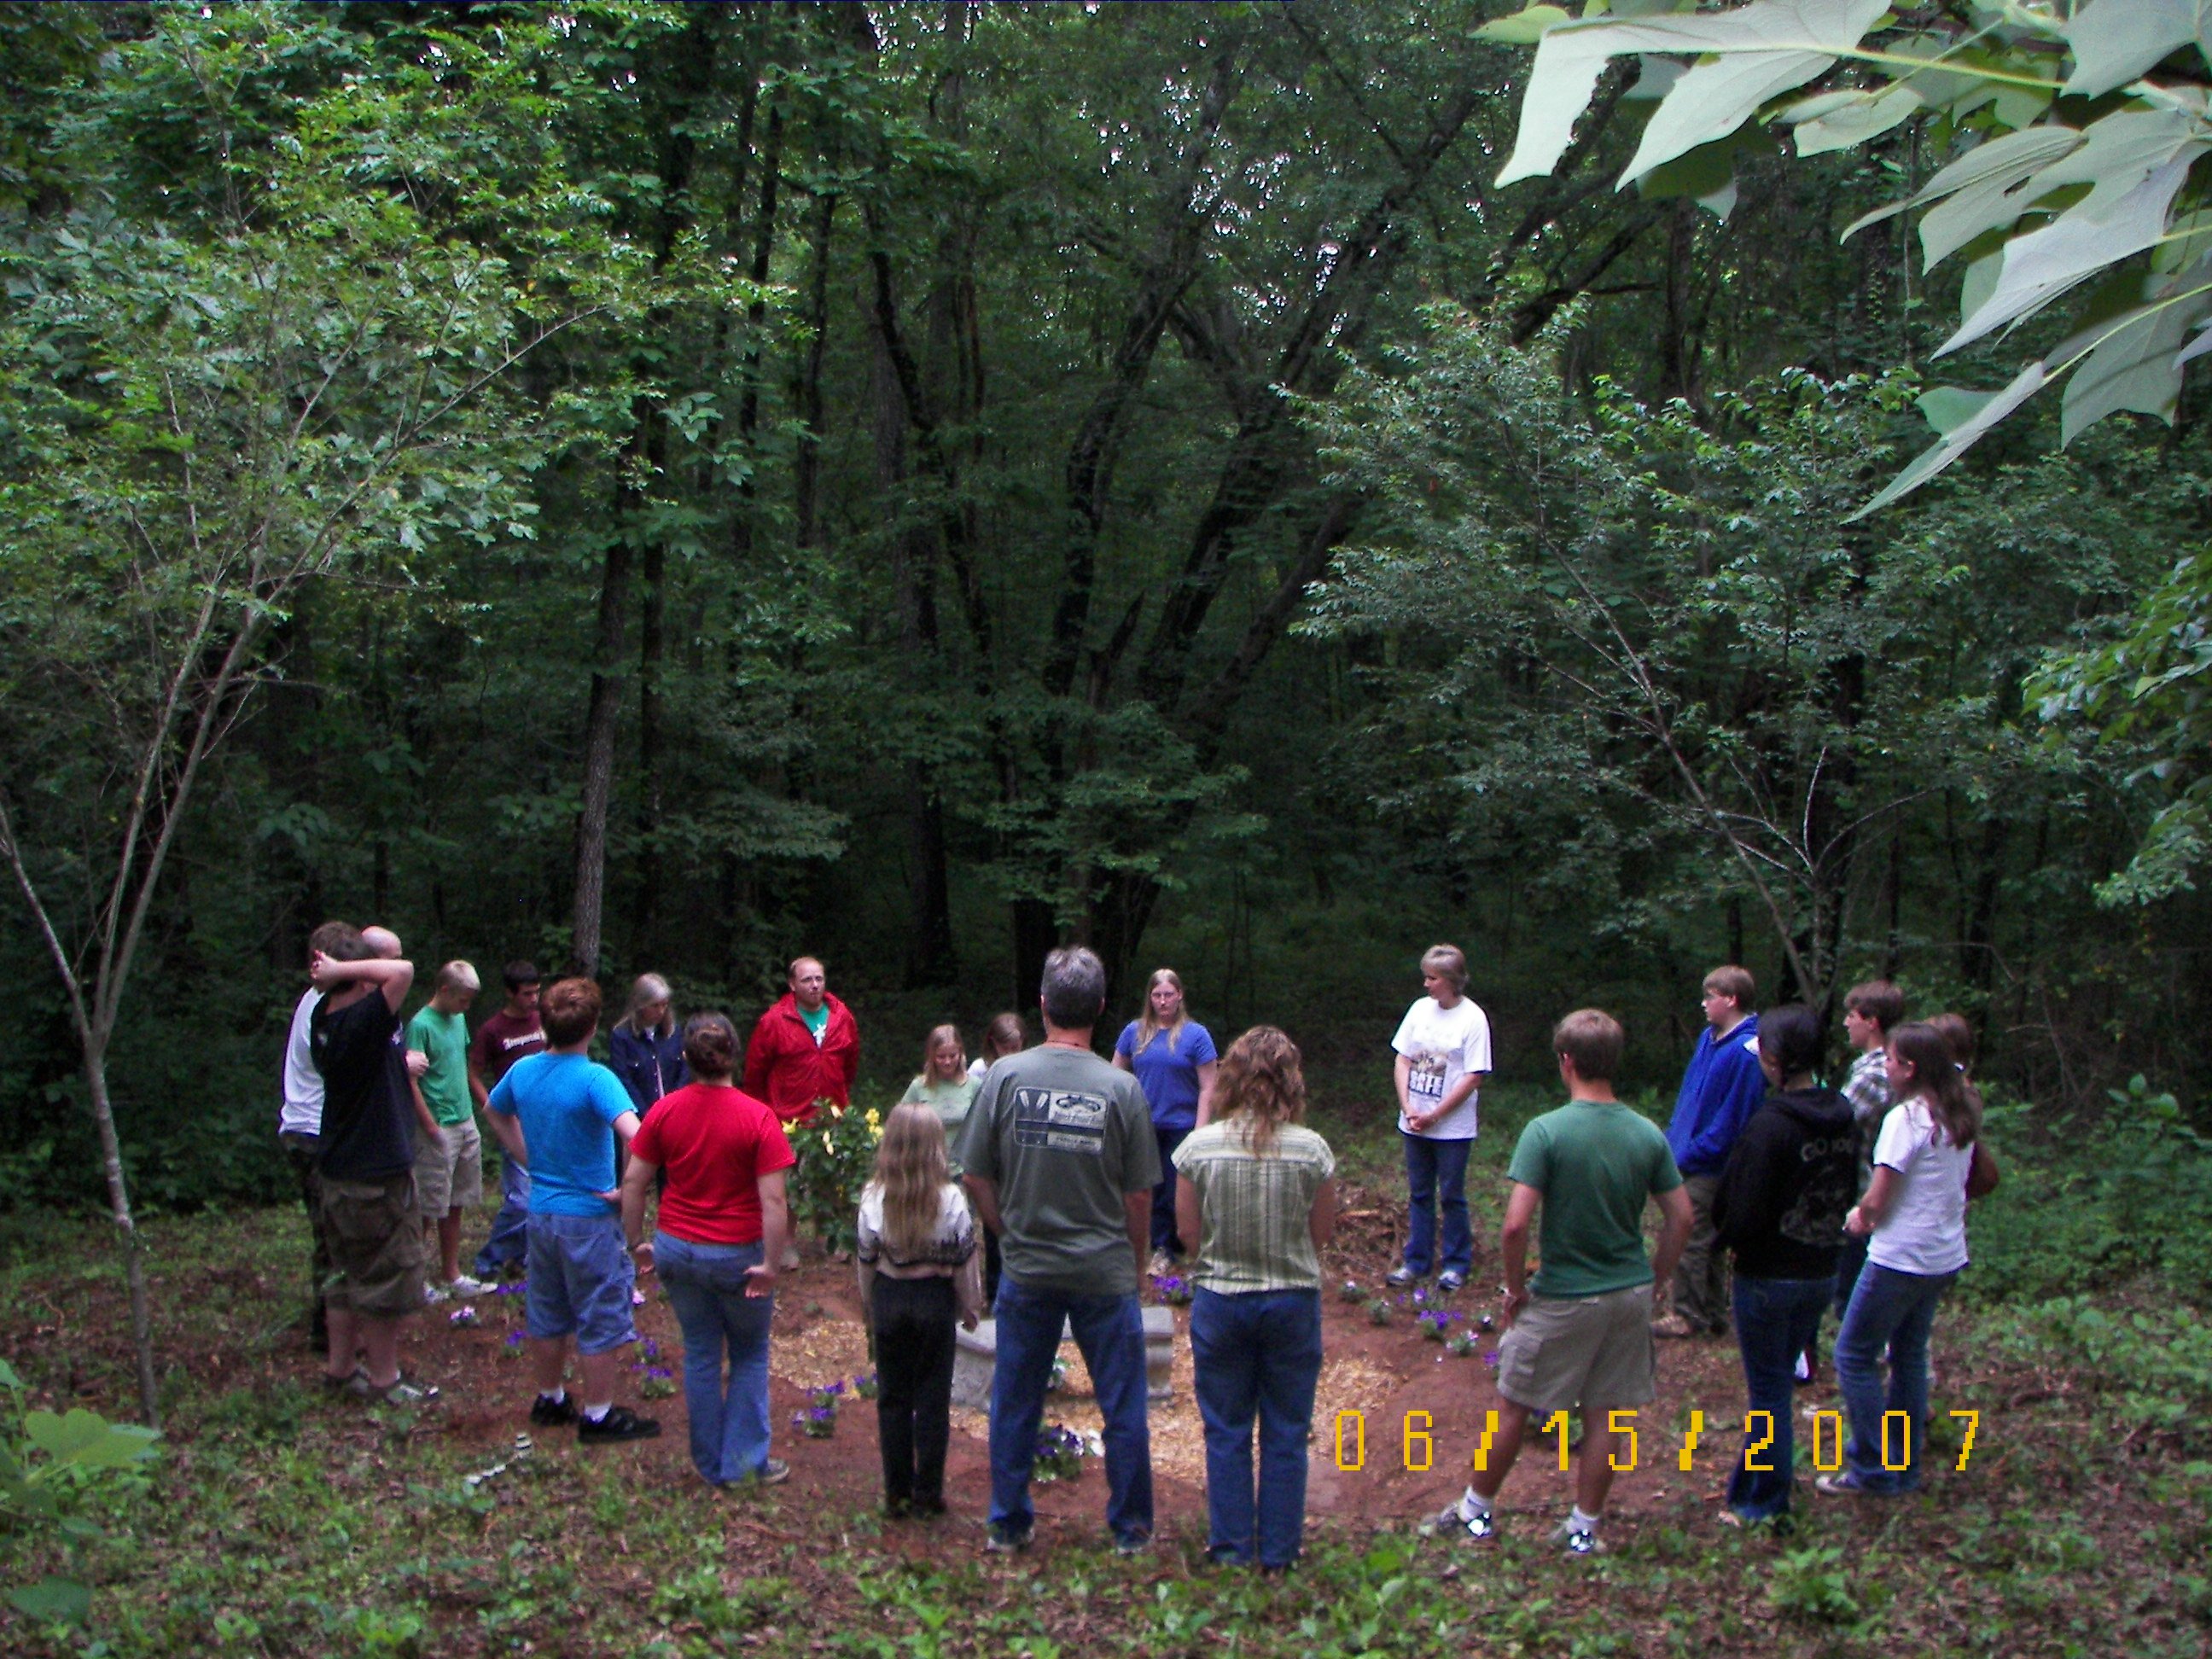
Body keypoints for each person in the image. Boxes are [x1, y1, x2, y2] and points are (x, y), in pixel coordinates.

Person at [1435, 1010, 1692, 1555]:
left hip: (1565, 1296)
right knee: (1609, 1414)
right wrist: (1656, 1279)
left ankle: (1474, 1512)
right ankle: (1583, 1528)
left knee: (1514, 1404)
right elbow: (1682, 1218)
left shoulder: (1546, 1131)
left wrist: (1513, 1290)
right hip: (1627, 1294)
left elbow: (1514, 1225)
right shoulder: (1647, 1133)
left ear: (1567, 1062)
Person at [954, 945, 1160, 1555]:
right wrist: (1136, 1263)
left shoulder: (1005, 1077)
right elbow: (1140, 1196)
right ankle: (1131, 1529)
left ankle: (1009, 1524)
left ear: (1043, 1005)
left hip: (1029, 1267)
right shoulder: (1121, 1088)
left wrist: (1008, 1231)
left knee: (1015, 1401)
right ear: (1099, 1008)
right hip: (1104, 1272)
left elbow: (974, 1175)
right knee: (1123, 1407)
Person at [1172, 1026, 1336, 1570]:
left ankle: (1232, 1549)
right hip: (1291, 1300)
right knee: (1287, 1431)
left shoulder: (1199, 1148)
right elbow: (1320, 1235)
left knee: (1226, 1428)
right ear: (1290, 1080)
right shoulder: (1312, 1150)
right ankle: (1281, 1552)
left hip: (1222, 1300)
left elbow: (1189, 1236)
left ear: (1231, 1078)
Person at [620, 1013, 794, 1486]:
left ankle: (709, 1463)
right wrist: (770, 1265)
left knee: (699, 1352)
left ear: (686, 1058)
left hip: (677, 1247)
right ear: (734, 1055)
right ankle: (743, 1465)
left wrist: (637, 1242)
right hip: (737, 1252)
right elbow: (774, 1201)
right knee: (749, 1353)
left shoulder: (665, 1110)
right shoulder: (758, 1117)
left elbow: (634, 1183)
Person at [484, 976, 659, 1445]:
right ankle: (598, 1416)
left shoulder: (523, 1072)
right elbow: (638, 1137)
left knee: (546, 1305)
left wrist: (526, 1157)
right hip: (589, 1217)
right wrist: (629, 1187)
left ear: (543, 1023)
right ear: (594, 1026)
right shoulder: (596, 1079)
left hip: (540, 1213)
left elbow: (495, 1111)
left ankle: (551, 1397)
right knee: (599, 1310)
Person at [1819, 1022, 1982, 1498]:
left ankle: (1871, 1467)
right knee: (1909, 1355)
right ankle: (1904, 1465)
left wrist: (1858, 1219)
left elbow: (1879, 1198)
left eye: (1890, 1060)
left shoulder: (1906, 1121)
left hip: (1900, 1256)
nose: (1884, 1068)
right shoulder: (1960, 1112)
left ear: (1909, 1069)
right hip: (1943, 1254)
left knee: (1852, 1355)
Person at [1710, 1005, 1855, 1524]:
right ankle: (1746, 1489)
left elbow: (1740, 1205)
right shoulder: (1842, 1113)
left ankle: (1762, 1504)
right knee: (1773, 1386)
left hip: (1769, 1273)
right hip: (1821, 1267)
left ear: (1772, 1059)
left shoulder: (1770, 1125)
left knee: (1770, 1392)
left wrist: (1728, 1241)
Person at [308, 926, 437, 1404]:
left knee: (345, 1276)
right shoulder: (357, 1021)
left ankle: (341, 1371)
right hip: (373, 1174)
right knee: (384, 1276)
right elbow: (401, 971)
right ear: (359, 979)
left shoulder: (323, 1015)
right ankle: (385, 1381)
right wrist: (343, 970)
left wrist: (336, 975)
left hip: (341, 1168)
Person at [857, 1103, 984, 1517]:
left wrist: (868, 1304)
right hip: (933, 1300)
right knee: (932, 1398)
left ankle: (896, 1493)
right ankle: (929, 1493)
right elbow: (965, 1259)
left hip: (891, 1296)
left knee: (892, 1398)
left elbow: (866, 1259)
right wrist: (970, 1305)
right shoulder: (951, 1199)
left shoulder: (874, 1196)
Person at [1654, 965, 1765, 1339]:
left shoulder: (1747, 1052)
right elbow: (1691, 1099)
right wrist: (1672, 1143)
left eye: (1710, 997)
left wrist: (1692, 1154)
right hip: (1687, 1152)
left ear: (1731, 1000)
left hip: (1712, 1164)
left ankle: (1688, 1313)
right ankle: (1713, 1311)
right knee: (1704, 1234)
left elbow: (1732, 1121)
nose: (1704, 1004)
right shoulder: (1709, 1038)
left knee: (1693, 1234)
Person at [1386, 945, 1491, 1293]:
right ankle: (1416, 1262)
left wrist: (1435, 1115)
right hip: (1414, 1121)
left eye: (1432, 978)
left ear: (1450, 980)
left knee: (1451, 1194)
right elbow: (1403, 1059)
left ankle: (1456, 1264)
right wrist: (1408, 1107)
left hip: (1452, 1129)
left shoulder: (1473, 1018)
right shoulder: (1419, 1010)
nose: (1426, 984)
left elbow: (1474, 1076)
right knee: (1419, 1193)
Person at [744, 956, 860, 1270]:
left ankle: (829, 1238)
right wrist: (764, 1113)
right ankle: (785, 1243)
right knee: (788, 1185)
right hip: (788, 1118)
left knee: (830, 1180)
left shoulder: (841, 1017)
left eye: (819, 979)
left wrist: (839, 1098)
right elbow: (755, 1072)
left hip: (831, 1115)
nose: (814, 985)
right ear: (792, 984)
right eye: (807, 980)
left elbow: (850, 1063)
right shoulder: (774, 1021)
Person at [279, 918, 364, 1348]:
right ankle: (327, 1332)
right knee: (332, 1235)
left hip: (311, 1129)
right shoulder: (322, 1008)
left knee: (332, 1233)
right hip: (313, 1130)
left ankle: (333, 1326)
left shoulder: (323, 1000)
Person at [1113, 968, 1220, 1276]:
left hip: (1182, 1124)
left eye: (1168, 995)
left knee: (1178, 1189)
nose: (1163, 1001)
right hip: (1145, 1123)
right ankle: (1156, 1246)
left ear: (1179, 996)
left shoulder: (1196, 1035)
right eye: (1157, 995)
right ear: (1150, 998)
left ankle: (1177, 1247)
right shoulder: (1135, 1032)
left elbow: (1208, 1086)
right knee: (1148, 1188)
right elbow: (1116, 1074)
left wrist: (1200, 1130)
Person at [408, 961, 493, 1301]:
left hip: (464, 1120)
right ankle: (414, 1279)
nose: (466, 1007)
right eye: (462, 999)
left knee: (457, 1200)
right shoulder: (420, 1025)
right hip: (437, 1126)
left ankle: (451, 1273)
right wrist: (429, 1125)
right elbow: (410, 1079)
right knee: (429, 1204)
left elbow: (458, 1064)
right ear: (444, 991)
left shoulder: (458, 1019)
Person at [1831, 979, 1903, 1347]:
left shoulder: (1875, 1074)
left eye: (1852, 1015)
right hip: (1876, 1198)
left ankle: (1866, 1383)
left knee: (1856, 1304)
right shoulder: (1885, 1066)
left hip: (1866, 1199)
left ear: (1872, 1020)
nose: (1846, 1023)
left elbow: (1835, 1125)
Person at [469, 962, 546, 1281]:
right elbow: (473, 1073)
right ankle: (489, 1260)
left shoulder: (544, 1021)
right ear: (510, 993)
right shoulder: (493, 1030)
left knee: (540, 1194)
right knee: (520, 1199)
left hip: (544, 1117)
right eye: (527, 994)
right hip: (513, 1120)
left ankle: (524, 1257)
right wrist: (492, 1108)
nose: (533, 999)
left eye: (536, 992)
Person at [608, 973, 687, 1117]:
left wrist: (674, 1107)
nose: (661, 1011)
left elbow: (684, 1072)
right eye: (655, 1006)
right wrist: (649, 1116)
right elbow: (624, 1081)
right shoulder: (622, 1036)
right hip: (640, 1117)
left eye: (665, 1005)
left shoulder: (674, 1033)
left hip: (674, 1113)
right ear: (640, 1005)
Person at [899, 1023, 981, 1136]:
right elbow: (899, 1124)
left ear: (960, 1053)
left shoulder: (975, 1085)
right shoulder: (918, 1086)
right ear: (931, 1056)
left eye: (952, 1056)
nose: (947, 1062)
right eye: (941, 1057)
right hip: (928, 1152)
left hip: (965, 1153)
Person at [967, 1012, 1025, 1083]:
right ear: (993, 1042)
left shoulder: (1028, 1068)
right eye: (1004, 1048)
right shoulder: (979, 1069)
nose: (1010, 1054)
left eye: (1015, 1048)